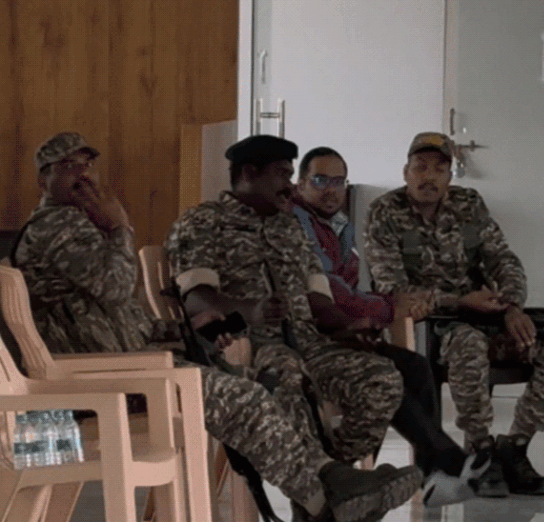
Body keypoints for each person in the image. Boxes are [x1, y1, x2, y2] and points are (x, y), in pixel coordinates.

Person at [13, 131, 422, 522]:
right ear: (42, 180)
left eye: (88, 164)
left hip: (127, 367)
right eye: (68, 166)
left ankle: (331, 490)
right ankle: (327, 498)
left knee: (257, 387)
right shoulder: (57, 226)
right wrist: (120, 227)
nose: (84, 174)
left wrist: (193, 331)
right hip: (95, 382)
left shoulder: (81, 226)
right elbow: (118, 286)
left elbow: (125, 319)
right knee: (252, 394)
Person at [165, 134, 424, 518]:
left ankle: (333, 486)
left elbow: (318, 298)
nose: (289, 186)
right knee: (285, 374)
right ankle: (328, 492)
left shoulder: (289, 227)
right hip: (248, 348)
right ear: (248, 173)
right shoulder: (204, 222)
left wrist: (349, 325)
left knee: (382, 379)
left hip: (309, 343)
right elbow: (197, 298)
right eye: (282, 175)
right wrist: (251, 310)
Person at [364, 132, 544, 498]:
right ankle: (481, 454)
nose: (429, 177)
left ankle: (513, 449)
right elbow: (393, 290)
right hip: (430, 327)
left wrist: (511, 305)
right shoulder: (384, 212)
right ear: (405, 172)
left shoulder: (468, 204)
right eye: (421, 168)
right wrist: (460, 302)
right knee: (468, 344)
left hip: (486, 315)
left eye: (439, 169)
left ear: (450, 176)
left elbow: (504, 260)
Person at [292, 146, 487, 506]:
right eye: (320, 180)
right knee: (388, 374)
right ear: (300, 183)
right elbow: (329, 291)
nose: (331, 190)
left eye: (339, 181)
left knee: (416, 368)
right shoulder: (296, 223)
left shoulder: (338, 225)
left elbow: (348, 289)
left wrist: (380, 309)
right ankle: (446, 460)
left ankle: (434, 474)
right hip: (312, 338)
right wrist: (388, 307)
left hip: (341, 332)